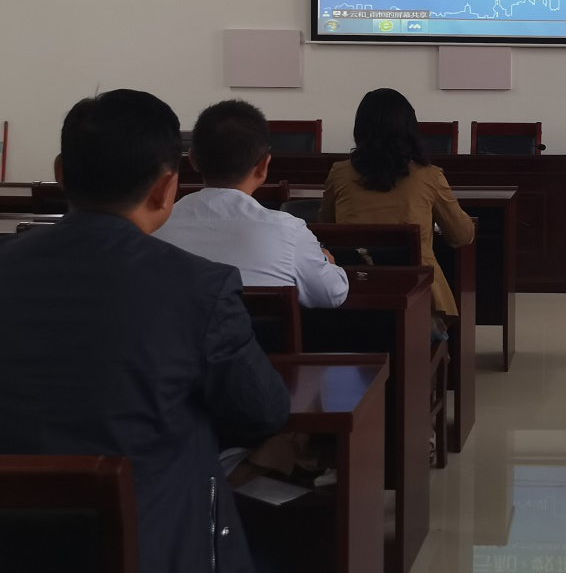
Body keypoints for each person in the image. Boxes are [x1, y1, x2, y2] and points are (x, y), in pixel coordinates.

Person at [0, 90, 290, 573]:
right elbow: (265, 411)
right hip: (155, 544)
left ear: (61, 172)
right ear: (166, 188)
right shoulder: (200, 288)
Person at [154, 99, 348, 308]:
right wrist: (329, 264)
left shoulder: (157, 228)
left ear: (192, 159)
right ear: (264, 165)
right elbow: (332, 294)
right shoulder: (289, 232)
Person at [320, 88, 473, 317]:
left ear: (360, 128)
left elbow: (326, 227)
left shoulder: (339, 173)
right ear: (410, 129)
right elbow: (461, 235)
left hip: (352, 296)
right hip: (419, 299)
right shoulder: (429, 176)